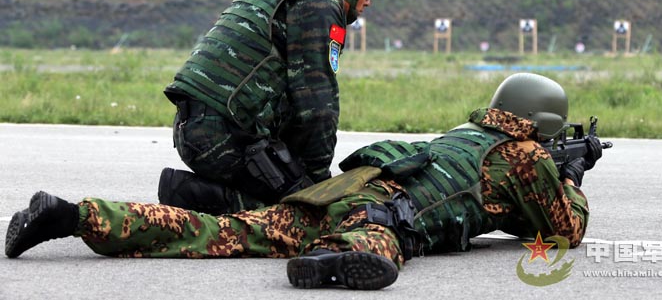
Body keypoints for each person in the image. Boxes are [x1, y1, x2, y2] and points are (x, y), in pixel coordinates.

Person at [5, 73, 604, 291]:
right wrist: (571, 177)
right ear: (542, 125)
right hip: (379, 214)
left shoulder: (461, 134)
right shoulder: (529, 158)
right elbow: (562, 232)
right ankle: (336, 265)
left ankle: (74, 215)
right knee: (384, 239)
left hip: (338, 193)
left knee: (220, 231)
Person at [158, 0, 389, 214]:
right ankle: (188, 193)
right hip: (221, 139)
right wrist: (317, 185)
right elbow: (318, 106)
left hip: (193, 128)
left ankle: (202, 189)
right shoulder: (320, 6)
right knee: (300, 212)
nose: (369, 1)